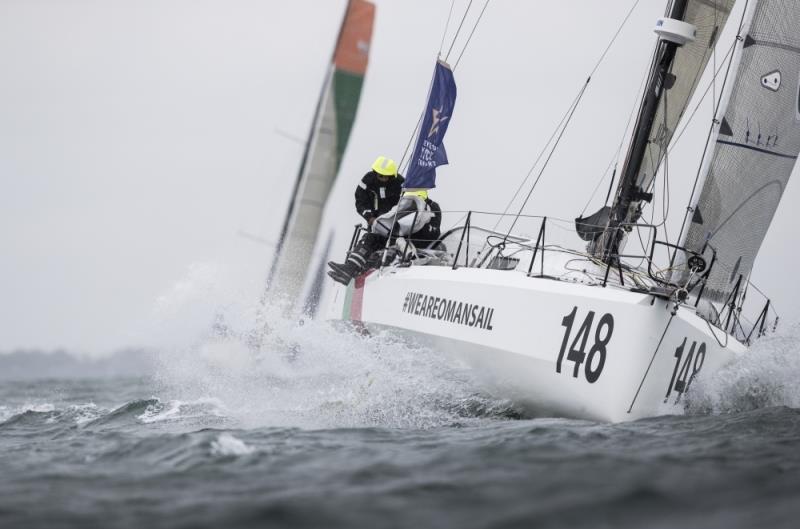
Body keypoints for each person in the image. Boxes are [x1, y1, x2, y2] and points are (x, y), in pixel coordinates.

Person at [328, 188, 441, 285]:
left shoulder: (433, 208)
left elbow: (433, 234)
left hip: (413, 244)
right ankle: (350, 268)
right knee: (370, 237)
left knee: (386, 255)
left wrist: (419, 226)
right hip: (396, 239)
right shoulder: (402, 206)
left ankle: (364, 274)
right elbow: (391, 219)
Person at [355, 156, 405, 226]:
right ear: (375, 172)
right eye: (381, 175)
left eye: (387, 175)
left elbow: (409, 198)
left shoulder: (400, 182)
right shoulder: (367, 180)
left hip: (397, 221)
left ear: (391, 176)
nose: (383, 178)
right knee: (369, 237)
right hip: (375, 223)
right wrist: (369, 218)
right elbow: (360, 201)